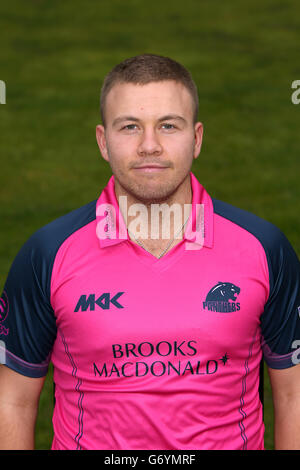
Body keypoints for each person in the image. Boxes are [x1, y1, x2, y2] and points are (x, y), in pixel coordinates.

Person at [0, 54, 300, 451]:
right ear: (103, 141)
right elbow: (14, 400)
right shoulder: (47, 253)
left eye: (168, 126)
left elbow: (293, 392)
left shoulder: (265, 248)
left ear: (196, 138)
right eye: (129, 127)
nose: (149, 146)